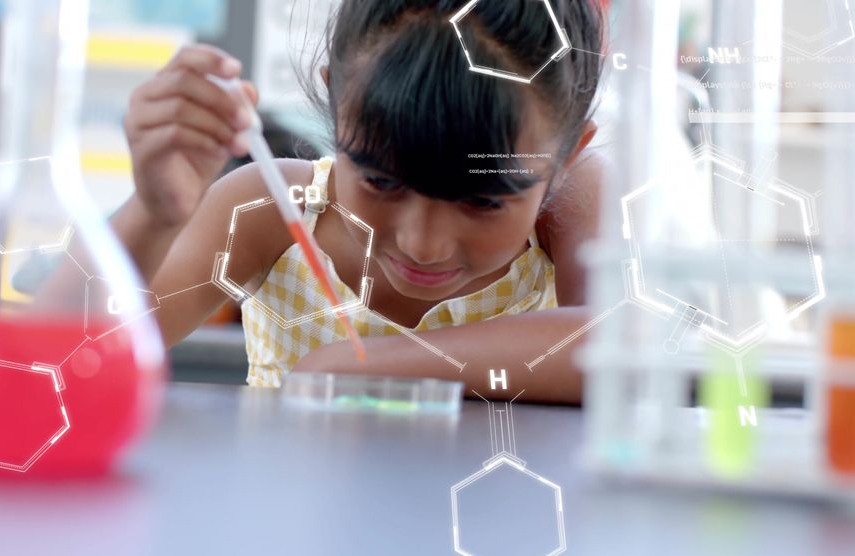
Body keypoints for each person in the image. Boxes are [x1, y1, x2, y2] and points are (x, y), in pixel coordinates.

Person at [113, 0, 607, 403]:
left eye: (482, 201)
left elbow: (620, 339)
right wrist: (151, 215)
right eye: (381, 182)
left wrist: (357, 366)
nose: (422, 245)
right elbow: (88, 351)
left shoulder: (572, 197)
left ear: (567, 157)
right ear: (337, 104)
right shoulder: (274, 206)